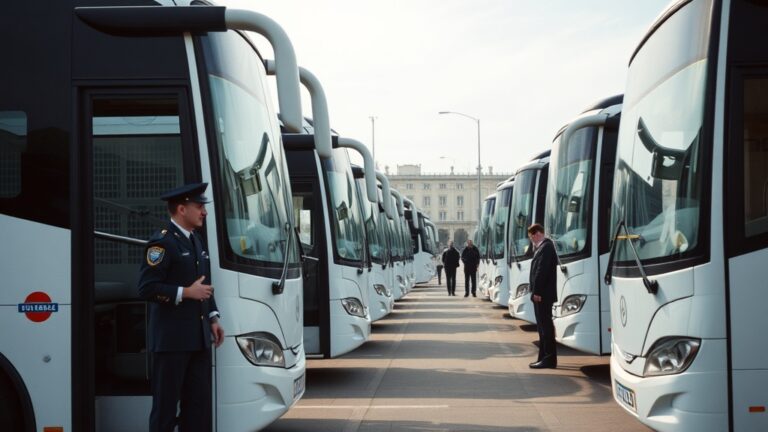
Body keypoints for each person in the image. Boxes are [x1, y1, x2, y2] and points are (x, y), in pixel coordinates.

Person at [137, 182, 225, 432]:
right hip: (171, 343)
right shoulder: (162, 243)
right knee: (165, 409)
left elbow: (204, 284)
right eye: (199, 206)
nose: (204, 212)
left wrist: (213, 317)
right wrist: (186, 293)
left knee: (198, 407)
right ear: (181, 209)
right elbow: (146, 288)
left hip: (197, 340)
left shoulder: (195, 240)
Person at [527, 223, 558, 369]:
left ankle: (549, 358)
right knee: (542, 327)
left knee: (545, 327)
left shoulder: (546, 247)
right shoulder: (544, 247)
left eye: (532, 236)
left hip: (543, 294)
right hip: (541, 294)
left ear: (537, 233)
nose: (531, 239)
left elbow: (541, 271)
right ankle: (543, 356)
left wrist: (537, 291)